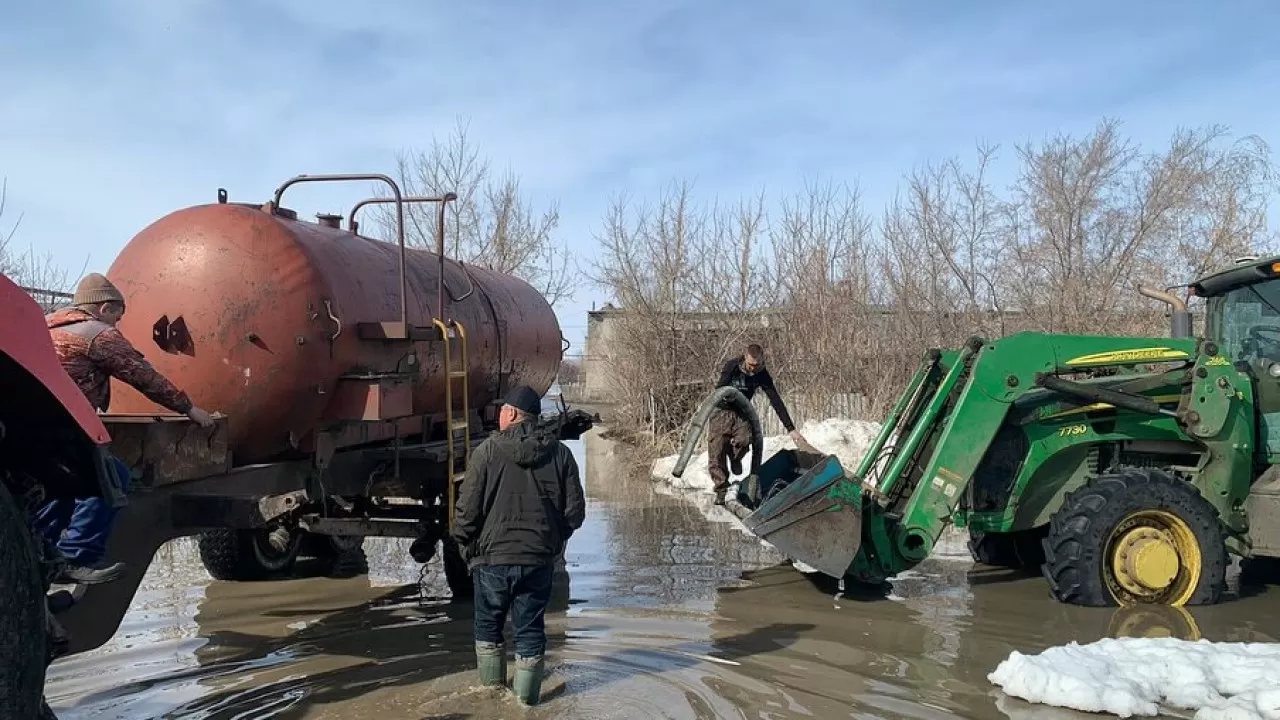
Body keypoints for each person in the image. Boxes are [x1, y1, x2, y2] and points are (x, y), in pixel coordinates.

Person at [33, 273, 215, 585]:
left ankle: (36, 552)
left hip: (26, 428)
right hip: (61, 427)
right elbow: (143, 376)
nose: (117, 324)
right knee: (111, 478)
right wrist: (189, 409)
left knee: (56, 487)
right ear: (104, 308)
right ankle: (77, 557)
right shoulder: (97, 334)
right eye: (117, 316)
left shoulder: (44, 326)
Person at [451, 385, 585, 706]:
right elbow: (575, 514)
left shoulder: (486, 452)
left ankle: (491, 700)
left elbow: (466, 512)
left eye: (501, 411)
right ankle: (526, 706)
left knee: (488, 626)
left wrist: (465, 545)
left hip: (491, 559)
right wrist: (551, 543)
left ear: (511, 414)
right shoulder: (561, 455)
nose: (498, 415)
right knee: (529, 630)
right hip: (537, 560)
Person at [708, 343, 806, 505]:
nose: (753, 368)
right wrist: (724, 397)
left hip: (742, 412)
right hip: (722, 411)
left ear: (762, 361)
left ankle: (735, 458)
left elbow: (775, 401)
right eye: (751, 365)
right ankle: (721, 489)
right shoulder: (733, 366)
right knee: (716, 452)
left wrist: (791, 429)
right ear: (745, 358)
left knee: (745, 439)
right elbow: (720, 387)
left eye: (757, 364)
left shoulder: (762, 374)